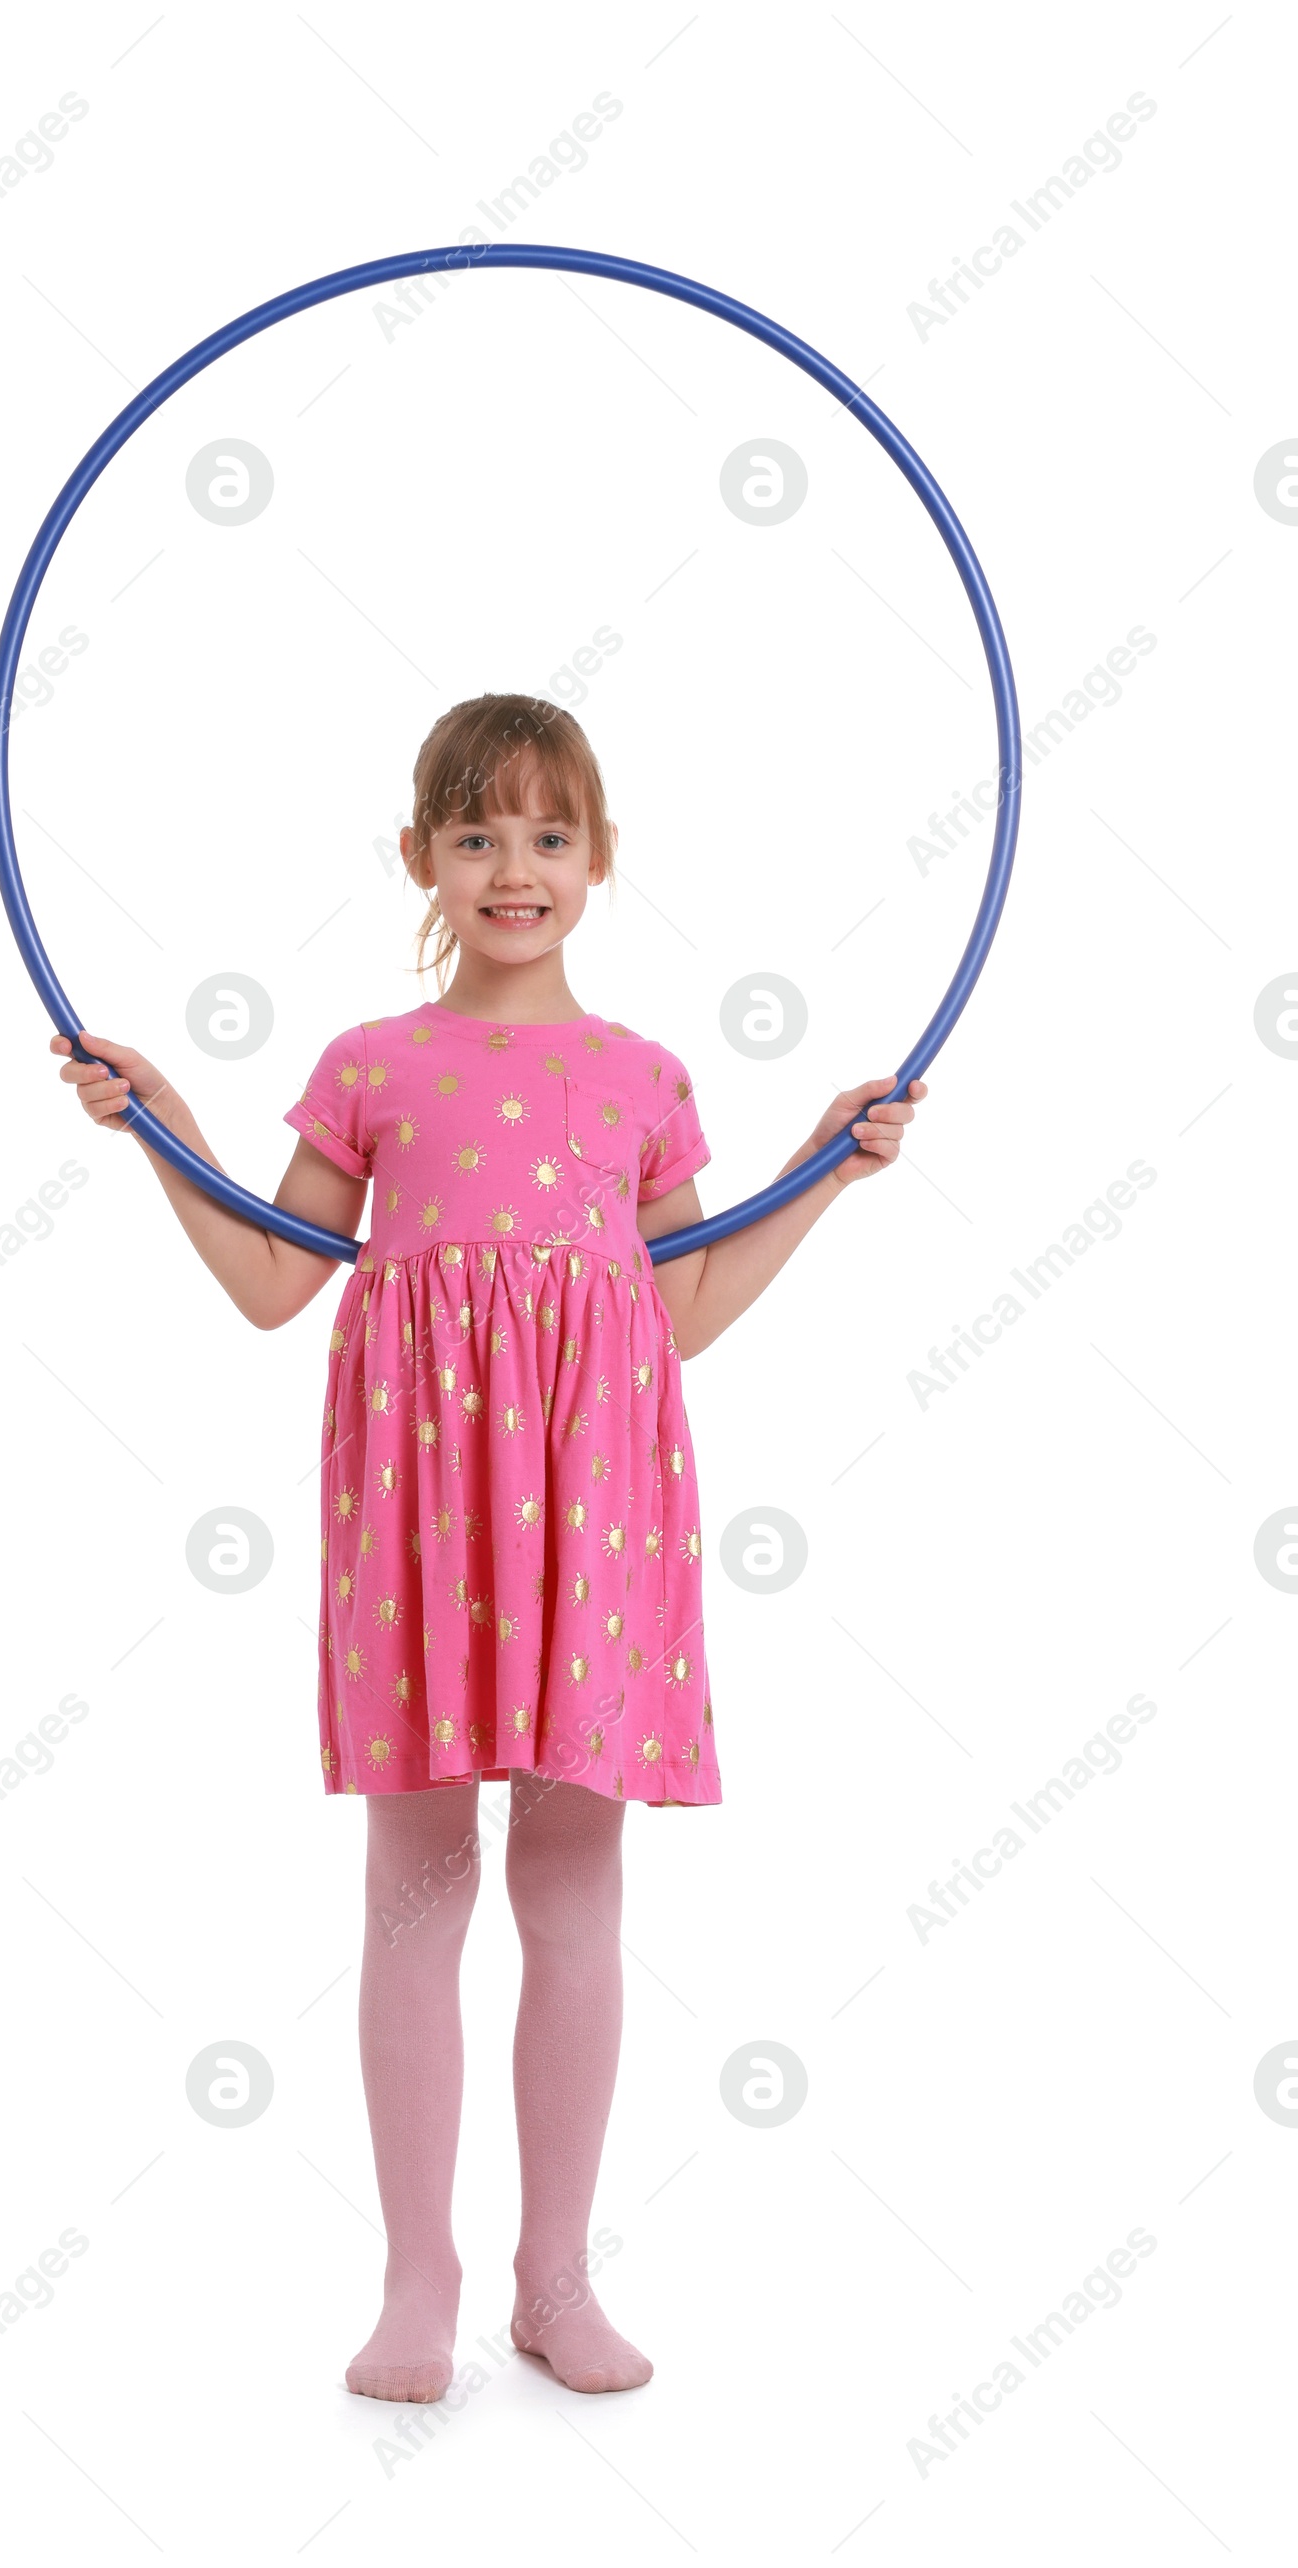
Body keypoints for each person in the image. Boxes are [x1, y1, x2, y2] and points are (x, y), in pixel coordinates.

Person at [52, 692, 925, 2403]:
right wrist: (165, 1133)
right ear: (420, 861)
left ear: (600, 860)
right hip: (422, 1520)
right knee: (415, 1886)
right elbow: (273, 1282)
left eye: (545, 835)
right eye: (475, 834)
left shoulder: (644, 1079)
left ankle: (556, 2277)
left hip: (596, 1521)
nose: (512, 867)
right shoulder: (373, 1066)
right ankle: (416, 2285)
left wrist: (821, 1173)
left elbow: (680, 1316)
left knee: (574, 1885)